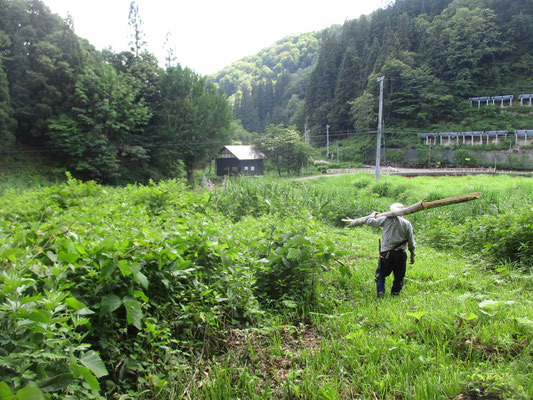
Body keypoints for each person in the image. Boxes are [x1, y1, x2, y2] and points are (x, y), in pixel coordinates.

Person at [366, 203, 416, 298]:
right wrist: (412, 256)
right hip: (400, 255)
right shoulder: (407, 223)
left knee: (380, 274)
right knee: (399, 276)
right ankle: (395, 295)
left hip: (386, 254)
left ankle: (380, 292)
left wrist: (373, 214)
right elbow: (411, 242)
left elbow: (369, 221)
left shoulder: (386, 219)